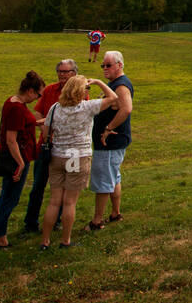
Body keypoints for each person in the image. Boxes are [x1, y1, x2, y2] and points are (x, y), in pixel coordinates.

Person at [39, 74, 117, 250]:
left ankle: (45, 240)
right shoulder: (86, 107)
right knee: (69, 202)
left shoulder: (55, 108)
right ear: (81, 91)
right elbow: (113, 98)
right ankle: (65, 240)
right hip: (75, 155)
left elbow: (45, 133)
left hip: (57, 155)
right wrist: (98, 82)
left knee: (54, 201)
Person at [0, 71, 45, 252]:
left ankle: (2, 238)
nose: (38, 98)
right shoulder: (17, 108)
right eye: (38, 95)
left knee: (8, 196)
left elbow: (22, 124)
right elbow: (11, 139)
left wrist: (37, 122)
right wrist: (20, 164)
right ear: (31, 91)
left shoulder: (13, 101)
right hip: (17, 159)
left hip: (19, 157)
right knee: (9, 199)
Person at [23, 58, 77, 234]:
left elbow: (74, 118)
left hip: (68, 149)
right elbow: (38, 110)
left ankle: (58, 220)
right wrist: (45, 127)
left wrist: (50, 123)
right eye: (60, 71)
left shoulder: (79, 92)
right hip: (45, 146)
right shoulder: (49, 90)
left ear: (74, 73)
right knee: (38, 186)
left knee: (65, 187)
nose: (62, 75)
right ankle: (30, 222)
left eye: (66, 72)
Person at [89, 50, 134, 231]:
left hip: (110, 143)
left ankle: (97, 221)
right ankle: (115, 213)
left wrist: (108, 129)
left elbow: (126, 109)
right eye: (103, 65)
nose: (105, 68)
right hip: (112, 143)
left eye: (108, 65)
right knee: (113, 177)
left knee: (103, 181)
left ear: (119, 65)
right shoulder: (114, 84)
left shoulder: (121, 85)